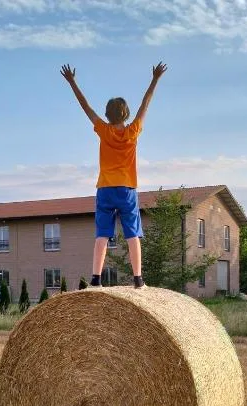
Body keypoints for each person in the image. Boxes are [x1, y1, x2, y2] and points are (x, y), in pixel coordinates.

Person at [61, 61, 167, 288]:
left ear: (107, 115)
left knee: (102, 234)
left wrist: (72, 82)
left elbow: (86, 107)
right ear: (126, 114)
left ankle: (96, 279)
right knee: (132, 235)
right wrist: (155, 79)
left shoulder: (103, 130)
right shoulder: (133, 130)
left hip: (105, 188)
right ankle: (138, 280)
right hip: (127, 188)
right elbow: (145, 104)